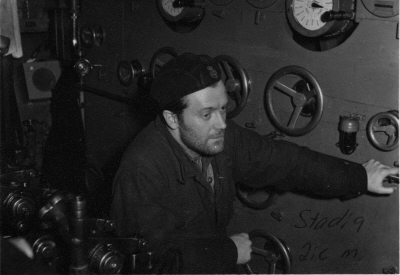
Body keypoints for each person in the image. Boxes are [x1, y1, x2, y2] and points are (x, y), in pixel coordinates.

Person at [111, 53, 398, 274]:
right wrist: (227, 252)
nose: (222, 124)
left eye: (223, 108)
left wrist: (360, 177)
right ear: (172, 118)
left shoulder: (219, 137)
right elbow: (150, 265)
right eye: (207, 114)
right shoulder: (142, 170)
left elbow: (289, 163)